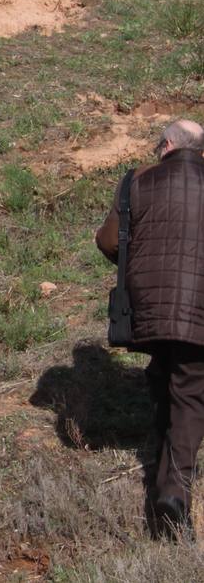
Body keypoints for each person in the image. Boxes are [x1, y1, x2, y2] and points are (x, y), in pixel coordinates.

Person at [95, 119, 204, 540]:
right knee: (191, 393)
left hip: (149, 308)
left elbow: (108, 242)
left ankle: (161, 468)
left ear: (168, 145)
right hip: (199, 310)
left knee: (164, 374)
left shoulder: (137, 181)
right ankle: (173, 494)